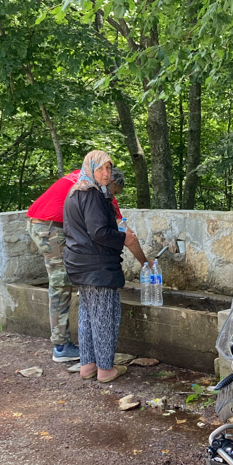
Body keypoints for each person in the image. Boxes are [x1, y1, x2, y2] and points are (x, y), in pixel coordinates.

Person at [62, 150, 142, 382]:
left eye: (108, 168)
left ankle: (88, 366)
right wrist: (123, 238)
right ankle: (106, 370)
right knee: (106, 316)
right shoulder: (94, 195)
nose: (105, 174)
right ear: (90, 168)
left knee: (87, 315)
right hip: (96, 266)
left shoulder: (74, 192)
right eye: (100, 168)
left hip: (77, 264)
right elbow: (99, 233)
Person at [26, 168, 80, 362]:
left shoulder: (81, 174)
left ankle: (62, 342)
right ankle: (61, 346)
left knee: (63, 279)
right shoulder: (99, 185)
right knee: (60, 283)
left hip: (39, 222)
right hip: (49, 227)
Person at [109, 168, 148, 265]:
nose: (113, 196)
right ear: (112, 182)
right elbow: (128, 236)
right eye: (115, 192)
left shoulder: (82, 186)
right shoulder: (106, 198)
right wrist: (145, 263)